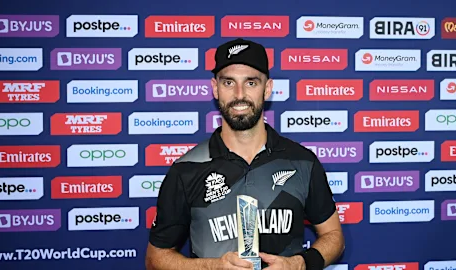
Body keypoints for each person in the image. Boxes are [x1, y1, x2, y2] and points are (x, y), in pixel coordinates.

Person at [145, 38, 345, 270]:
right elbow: (154, 258)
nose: (239, 94)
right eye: (229, 82)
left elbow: (334, 236)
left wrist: (297, 264)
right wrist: (214, 267)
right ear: (215, 88)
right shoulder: (187, 169)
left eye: (251, 83)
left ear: (267, 88)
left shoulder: (302, 161)